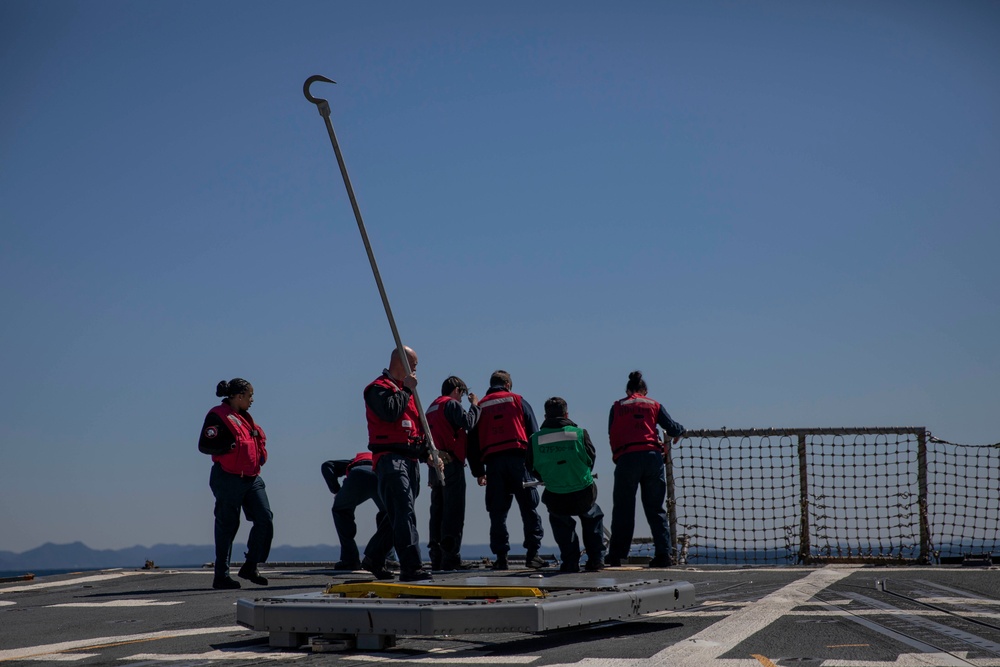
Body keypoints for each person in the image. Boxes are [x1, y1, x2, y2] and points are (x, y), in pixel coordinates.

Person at [363, 346, 435, 582]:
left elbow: (415, 428)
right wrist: (406, 389)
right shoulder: (377, 389)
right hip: (390, 459)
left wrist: (429, 454)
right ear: (400, 362)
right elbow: (390, 412)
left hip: (410, 459)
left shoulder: (408, 393)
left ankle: (374, 556)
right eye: (413, 363)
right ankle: (411, 566)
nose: (416, 368)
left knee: (397, 513)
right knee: (403, 512)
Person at [198, 378, 274, 590]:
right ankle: (221, 576)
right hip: (227, 477)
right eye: (249, 396)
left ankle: (250, 566)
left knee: (264, 518)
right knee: (227, 525)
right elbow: (205, 445)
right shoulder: (218, 415)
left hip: (251, 478)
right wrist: (229, 446)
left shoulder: (246, 418)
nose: (252, 400)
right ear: (238, 396)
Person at [467, 370, 546, 570]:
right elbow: (534, 435)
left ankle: (501, 558)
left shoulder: (481, 406)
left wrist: (478, 472)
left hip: (493, 464)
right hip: (519, 461)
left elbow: (472, 444)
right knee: (529, 509)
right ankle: (533, 555)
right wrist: (538, 469)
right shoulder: (518, 401)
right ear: (508, 384)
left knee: (497, 513)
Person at [606, 370, 685, 568]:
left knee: (623, 510)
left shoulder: (617, 407)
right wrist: (680, 431)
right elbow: (673, 427)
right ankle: (663, 554)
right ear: (645, 391)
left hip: (626, 459)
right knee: (655, 509)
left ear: (627, 390)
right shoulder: (654, 405)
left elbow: (612, 432)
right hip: (652, 458)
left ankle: (617, 555)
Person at [528, 397, 606, 573]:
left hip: (555, 493)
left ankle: (570, 562)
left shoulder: (535, 439)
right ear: (566, 414)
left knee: (560, 521)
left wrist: (550, 476)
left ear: (546, 415)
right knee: (592, 516)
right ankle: (596, 561)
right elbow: (590, 459)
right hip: (583, 491)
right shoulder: (579, 433)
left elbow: (531, 467)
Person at [424, 376, 480, 570]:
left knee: (437, 511)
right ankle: (451, 558)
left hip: (434, 464)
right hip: (450, 464)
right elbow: (469, 423)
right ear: (457, 390)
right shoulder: (451, 405)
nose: (462, 399)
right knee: (453, 511)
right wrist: (475, 406)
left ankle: (436, 557)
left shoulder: (431, 408)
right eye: (462, 395)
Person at [320, 451, 393, 571]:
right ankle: (387, 559)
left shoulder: (353, 462)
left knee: (341, 510)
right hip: (380, 475)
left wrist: (336, 490)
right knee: (389, 515)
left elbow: (327, 465)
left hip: (358, 474)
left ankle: (350, 560)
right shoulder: (383, 458)